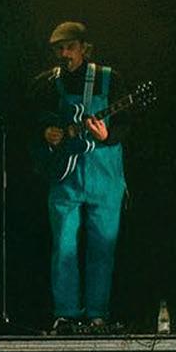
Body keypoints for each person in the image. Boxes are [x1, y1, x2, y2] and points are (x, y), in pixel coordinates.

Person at [36, 22, 129, 334]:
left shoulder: (109, 78)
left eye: (70, 47)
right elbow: (35, 117)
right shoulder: (49, 82)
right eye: (59, 49)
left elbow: (126, 124)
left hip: (105, 174)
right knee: (64, 245)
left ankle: (97, 314)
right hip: (66, 175)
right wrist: (47, 131)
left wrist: (107, 135)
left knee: (102, 246)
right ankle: (65, 314)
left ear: (84, 48)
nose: (64, 54)